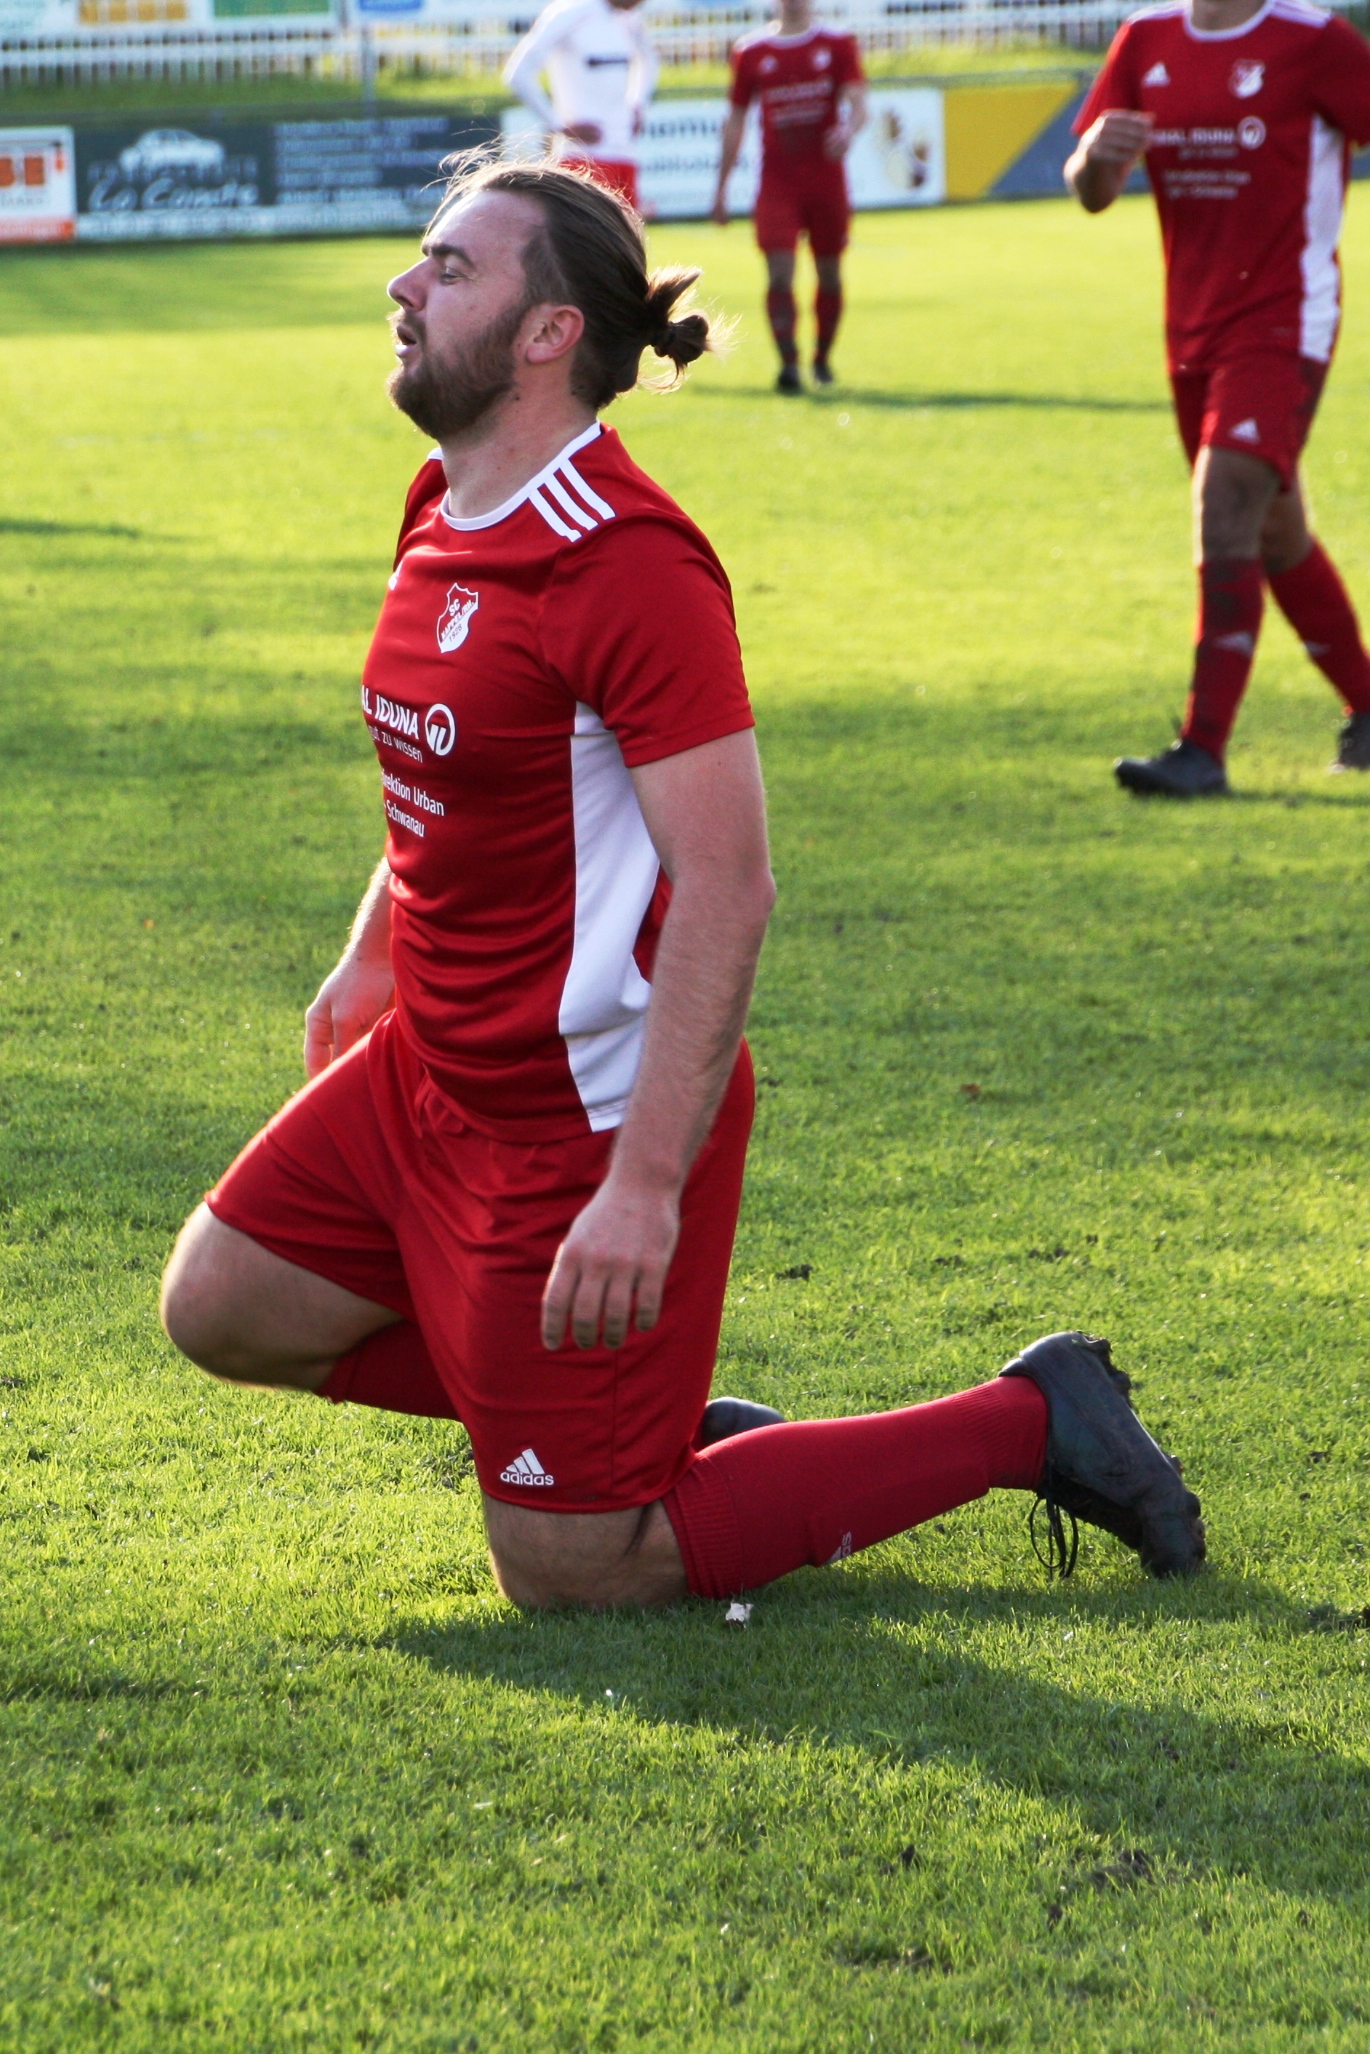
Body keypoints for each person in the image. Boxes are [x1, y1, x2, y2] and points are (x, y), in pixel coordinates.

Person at [159, 157, 1204, 1608]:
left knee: (575, 1573)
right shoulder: (443, 499)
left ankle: (1029, 1420)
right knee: (219, 1305)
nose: (403, 287)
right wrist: (375, 949)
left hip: (582, 1122)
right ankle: (612, 1420)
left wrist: (643, 1186)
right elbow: (459, 772)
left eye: (449, 270)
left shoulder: (629, 564)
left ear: (546, 334)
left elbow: (729, 886)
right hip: (428, 1077)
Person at [1068, 0, 1370, 796]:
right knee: (1273, 530)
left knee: (1225, 502)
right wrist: (1096, 156)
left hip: (1286, 320)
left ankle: (1201, 750)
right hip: (1191, 329)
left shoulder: (1315, 41)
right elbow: (1091, 191)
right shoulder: (1146, 38)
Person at [711, 0, 866, 392]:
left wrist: (848, 130)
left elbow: (859, 104)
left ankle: (822, 359)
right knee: (779, 273)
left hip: (826, 182)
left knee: (829, 273)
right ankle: (789, 365)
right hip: (778, 185)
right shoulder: (751, 51)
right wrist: (722, 187)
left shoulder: (838, 44)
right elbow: (736, 120)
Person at [503, 0, 658, 212]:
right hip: (581, 157)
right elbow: (518, 73)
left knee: (627, 232)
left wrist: (638, 103)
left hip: (624, 153)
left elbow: (649, 61)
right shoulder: (570, 13)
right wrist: (559, 125)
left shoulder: (629, 19)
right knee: (582, 232)